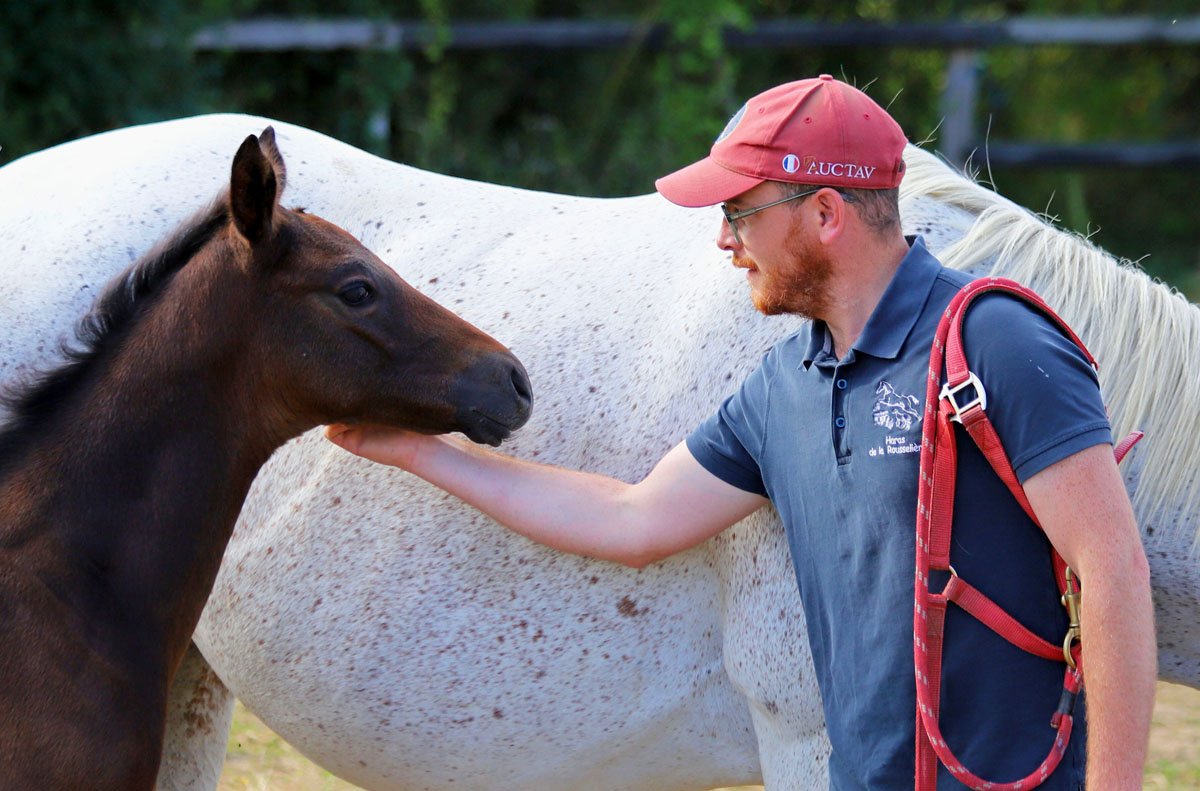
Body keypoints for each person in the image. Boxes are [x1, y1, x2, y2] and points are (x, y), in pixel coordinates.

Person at [325, 75, 1155, 789]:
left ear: (824, 212)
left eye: (739, 210)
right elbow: (632, 518)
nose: (723, 238)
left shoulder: (997, 340)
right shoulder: (784, 386)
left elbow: (1112, 568)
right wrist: (418, 450)